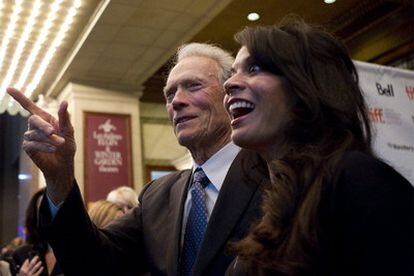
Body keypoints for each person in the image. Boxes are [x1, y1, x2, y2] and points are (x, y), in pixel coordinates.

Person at [7, 42, 268, 275]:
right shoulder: (158, 196)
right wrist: (59, 177)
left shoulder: (275, 174)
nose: (176, 101)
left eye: (193, 86)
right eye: (169, 94)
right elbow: (89, 261)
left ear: (230, 94)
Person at [223, 17, 414, 275]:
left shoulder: (357, 179)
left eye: (254, 68)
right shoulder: (276, 201)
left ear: (306, 87)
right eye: (233, 71)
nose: (229, 83)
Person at [11, 188, 63, 276]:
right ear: (35, 217)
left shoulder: (79, 253)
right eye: (43, 210)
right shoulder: (21, 255)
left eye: (54, 208)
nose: (50, 215)